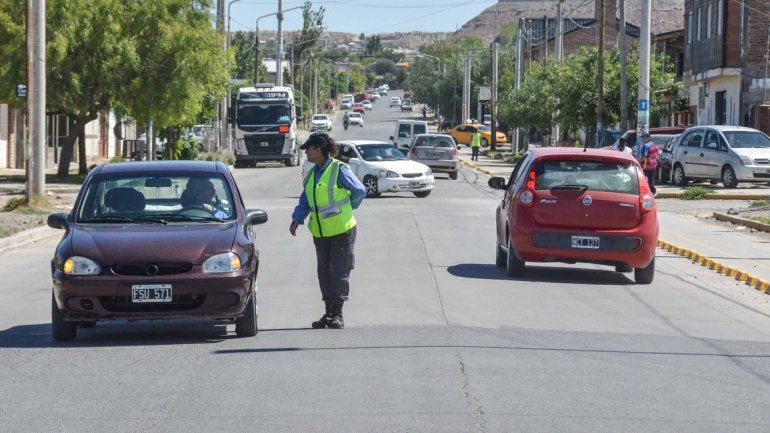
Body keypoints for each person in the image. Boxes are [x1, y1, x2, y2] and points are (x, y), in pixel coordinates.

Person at [290, 133, 366, 329]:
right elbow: (305, 200)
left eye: (309, 148)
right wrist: (296, 220)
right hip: (320, 233)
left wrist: (347, 208)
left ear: (319, 149)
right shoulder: (311, 174)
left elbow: (359, 191)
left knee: (339, 273)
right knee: (323, 274)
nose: (306, 152)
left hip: (342, 231)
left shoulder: (339, 169)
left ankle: (338, 315)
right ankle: (328, 313)